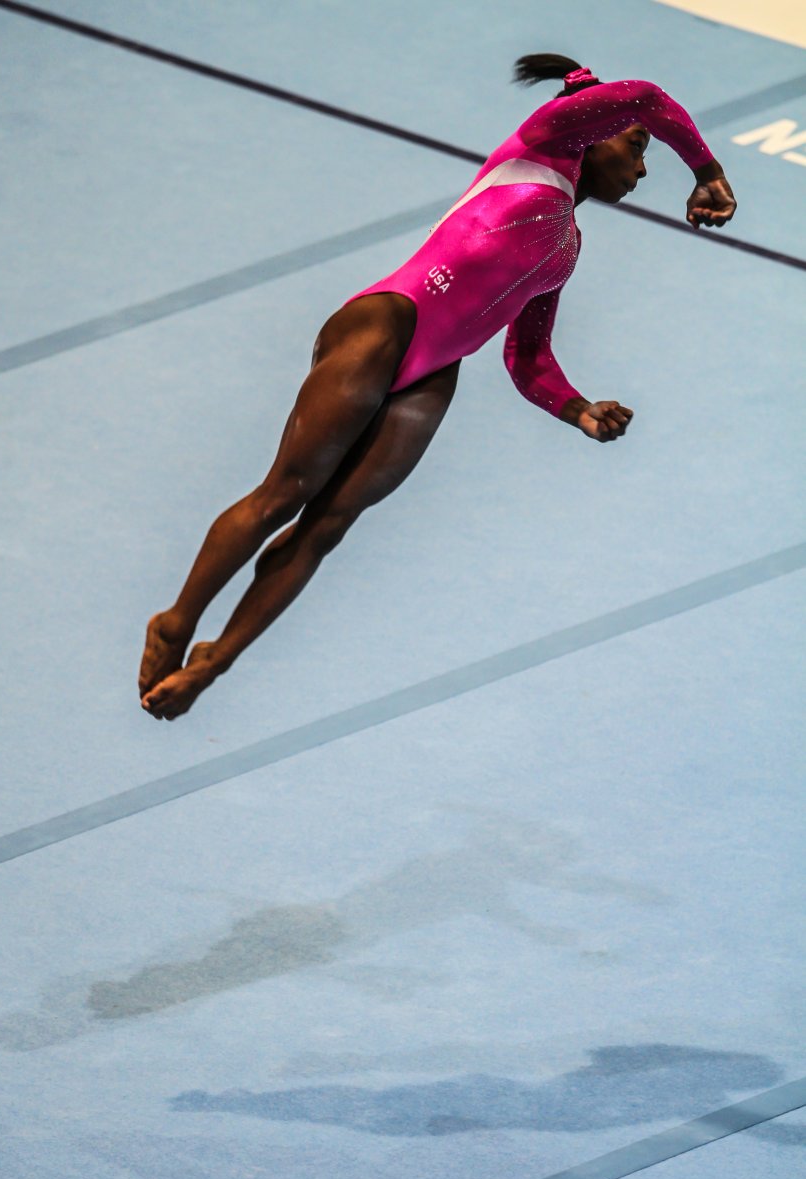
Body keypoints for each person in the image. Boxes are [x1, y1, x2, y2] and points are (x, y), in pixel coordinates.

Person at [139, 53, 736, 720]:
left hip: (434, 373)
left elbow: (528, 356)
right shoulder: (543, 145)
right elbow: (647, 97)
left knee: (330, 525)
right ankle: (176, 620)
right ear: (593, 135)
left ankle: (214, 664)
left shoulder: (566, 247)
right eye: (635, 145)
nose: (644, 166)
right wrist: (706, 169)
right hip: (389, 322)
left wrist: (579, 410)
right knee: (289, 491)